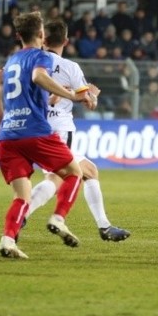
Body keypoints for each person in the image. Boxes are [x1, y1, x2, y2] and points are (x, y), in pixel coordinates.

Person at [0, 11, 94, 259]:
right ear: (41, 34)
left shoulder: (13, 59)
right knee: (74, 172)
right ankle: (58, 218)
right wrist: (71, 96)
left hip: (7, 136)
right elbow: (38, 76)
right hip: (34, 131)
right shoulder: (40, 56)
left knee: (21, 196)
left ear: (18, 36)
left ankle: (7, 241)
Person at [23, 18, 131, 242]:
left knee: (89, 170)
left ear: (43, 39)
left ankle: (104, 226)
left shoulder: (29, 61)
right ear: (66, 41)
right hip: (59, 130)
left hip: (32, 127)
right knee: (56, 179)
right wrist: (94, 95)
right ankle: (25, 211)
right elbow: (88, 102)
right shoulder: (70, 67)